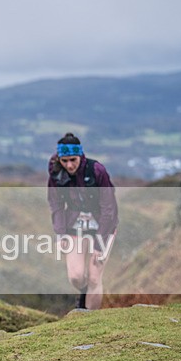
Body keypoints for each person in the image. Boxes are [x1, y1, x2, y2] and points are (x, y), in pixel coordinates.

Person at [47, 133, 118, 310]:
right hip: (74, 227)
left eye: (73, 160)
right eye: (64, 161)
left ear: (80, 155)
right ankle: (85, 293)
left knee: (95, 276)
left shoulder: (97, 171)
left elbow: (109, 208)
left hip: (103, 227)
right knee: (76, 277)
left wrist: (99, 243)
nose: (69, 165)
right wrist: (61, 233)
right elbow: (55, 205)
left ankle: (89, 319)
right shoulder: (56, 175)